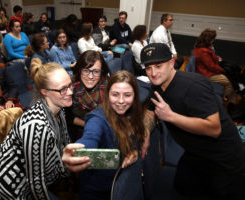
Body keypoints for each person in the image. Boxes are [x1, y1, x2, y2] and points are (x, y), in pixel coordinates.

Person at [140, 43, 245, 199]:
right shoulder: (157, 86)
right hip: (194, 153)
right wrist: (146, 133)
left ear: (171, 63)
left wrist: (170, 116)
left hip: (223, 160)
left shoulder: (193, 86)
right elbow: (150, 111)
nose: (153, 73)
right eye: (148, 68)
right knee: (181, 187)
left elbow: (214, 129)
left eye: (158, 66)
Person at [0, 58, 73, 199]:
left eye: (70, 85)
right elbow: (36, 182)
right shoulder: (37, 127)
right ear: (45, 92)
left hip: (26, 181)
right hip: (6, 190)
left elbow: (63, 143)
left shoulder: (59, 108)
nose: (70, 92)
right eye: (62, 89)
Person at [63, 70, 147, 200]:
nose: (121, 101)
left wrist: (134, 152)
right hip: (99, 191)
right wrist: (78, 152)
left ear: (135, 96)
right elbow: (90, 138)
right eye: (115, 94)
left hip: (124, 184)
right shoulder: (97, 119)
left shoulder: (133, 113)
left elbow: (135, 142)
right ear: (107, 95)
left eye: (127, 95)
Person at [67, 50, 109, 140]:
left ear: (101, 72)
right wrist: (91, 126)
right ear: (79, 70)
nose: (90, 76)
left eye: (96, 71)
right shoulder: (69, 85)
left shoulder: (108, 84)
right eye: (86, 70)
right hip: (77, 131)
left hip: (105, 127)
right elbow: (68, 117)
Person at [193, 28, 236, 104]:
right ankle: (225, 102)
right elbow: (211, 66)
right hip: (206, 74)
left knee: (231, 78)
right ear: (209, 39)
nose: (213, 40)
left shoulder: (205, 47)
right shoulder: (203, 51)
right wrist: (223, 70)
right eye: (213, 39)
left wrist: (217, 59)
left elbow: (211, 61)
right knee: (230, 83)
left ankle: (230, 102)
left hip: (209, 71)